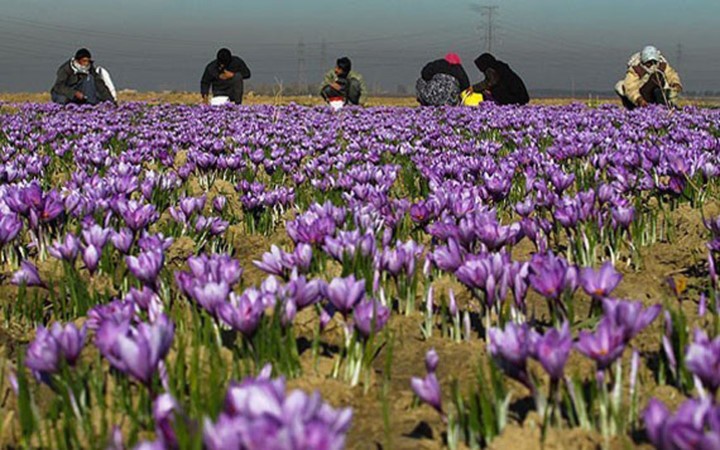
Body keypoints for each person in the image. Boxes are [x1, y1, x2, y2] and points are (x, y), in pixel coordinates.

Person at [615, 45, 682, 110]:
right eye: (649, 63)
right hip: (640, 95)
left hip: (657, 93)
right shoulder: (636, 69)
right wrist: (639, 99)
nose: (651, 65)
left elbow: (671, 75)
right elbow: (630, 88)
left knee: (658, 80)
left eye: (654, 62)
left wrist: (676, 84)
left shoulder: (662, 66)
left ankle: (664, 106)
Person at [51, 48, 117, 106]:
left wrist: (111, 101)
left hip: (81, 91)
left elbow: (100, 85)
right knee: (62, 99)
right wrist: (74, 93)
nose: (86, 64)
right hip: (64, 92)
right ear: (77, 61)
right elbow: (59, 86)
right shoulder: (66, 69)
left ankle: (90, 105)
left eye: (88, 61)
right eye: (84, 61)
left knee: (90, 79)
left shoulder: (90, 69)